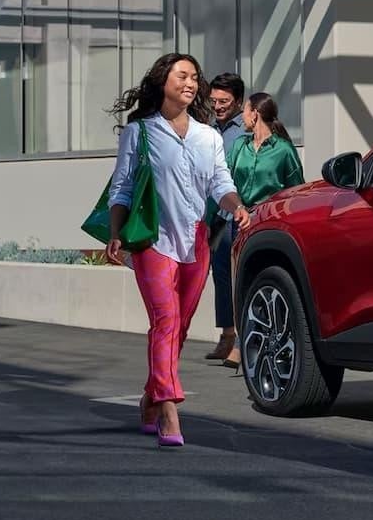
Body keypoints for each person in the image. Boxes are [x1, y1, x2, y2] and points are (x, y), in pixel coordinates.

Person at [105, 53, 250, 448]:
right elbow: (122, 187)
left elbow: (220, 184)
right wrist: (116, 233)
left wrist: (237, 207)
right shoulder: (140, 132)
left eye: (194, 77)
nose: (190, 82)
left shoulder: (209, 137)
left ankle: (150, 396)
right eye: (181, 75)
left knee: (180, 326)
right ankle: (169, 406)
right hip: (153, 240)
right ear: (162, 80)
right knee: (166, 320)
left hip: (195, 241)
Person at [208, 91, 305, 368]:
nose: (242, 117)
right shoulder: (240, 146)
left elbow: (295, 191)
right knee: (229, 281)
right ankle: (237, 337)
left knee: (251, 281)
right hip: (234, 220)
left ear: (255, 114)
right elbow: (223, 179)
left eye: (245, 111)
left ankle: (244, 344)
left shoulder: (284, 150)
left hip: (264, 221)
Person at [203, 72, 246, 362]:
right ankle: (227, 334)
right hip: (215, 215)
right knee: (220, 277)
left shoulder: (247, 129)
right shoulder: (208, 130)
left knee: (239, 276)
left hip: (240, 213)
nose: (218, 107)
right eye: (214, 101)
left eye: (224, 101)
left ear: (239, 102)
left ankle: (243, 341)